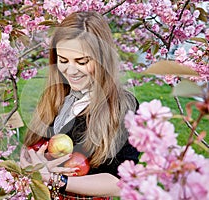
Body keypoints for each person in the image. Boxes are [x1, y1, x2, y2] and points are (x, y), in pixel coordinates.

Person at [20, 11, 140, 200]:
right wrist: (31, 163)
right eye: (63, 60)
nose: (71, 70)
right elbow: (31, 145)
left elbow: (122, 182)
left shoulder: (122, 106)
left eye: (82, 61)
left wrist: (56, 179)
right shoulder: (55, 95)